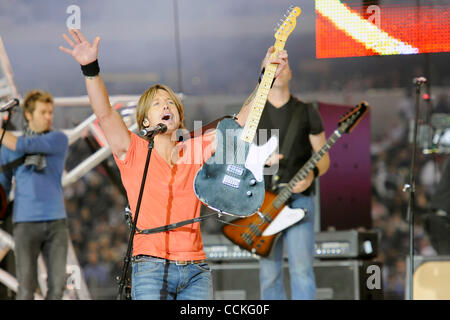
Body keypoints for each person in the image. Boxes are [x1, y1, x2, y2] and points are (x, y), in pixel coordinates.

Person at [59, 29, 287, 300]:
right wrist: (90, 68)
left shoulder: (193, 148)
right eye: (157, 103)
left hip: (196, 270)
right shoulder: (133, 149)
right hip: (150, 266)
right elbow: (105, 113)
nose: (165, 105)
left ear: (178, 117)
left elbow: (239, 123)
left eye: (170, 103)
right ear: (145, 121)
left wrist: (266, 79)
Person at [258, 60, 330, 300]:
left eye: (282, 66)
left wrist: (312, 175)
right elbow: (235, 157)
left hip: (300, 200)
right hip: (264, 201)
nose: (278, 70)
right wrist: (258, 159)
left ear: (291, 73)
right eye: (271, 67)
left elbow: (324, 158)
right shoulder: (252, 113)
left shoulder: (307, 110)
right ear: (263, 75)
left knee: (301, 270)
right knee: (269, 275)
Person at [0, 90, 69, 299]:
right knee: (26, 288)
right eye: (43, 112)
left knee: (57, 288)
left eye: (50, 112)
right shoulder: (8, 148)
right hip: (25, 223)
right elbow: (3, 184)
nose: (49, 117)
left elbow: (23, 145)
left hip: (56, 222)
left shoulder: (58, 139)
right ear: (28, 115)